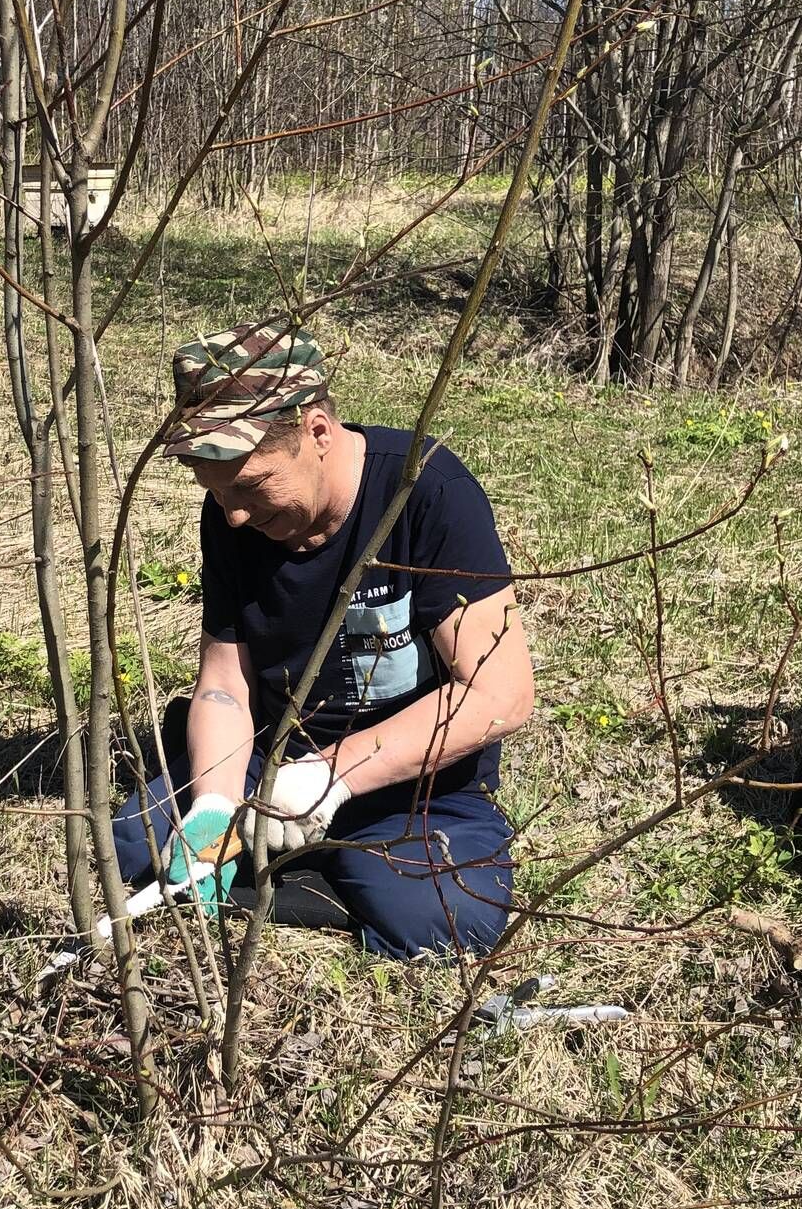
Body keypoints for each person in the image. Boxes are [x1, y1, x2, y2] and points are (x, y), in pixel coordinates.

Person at [113, 323, 533, 961]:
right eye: (216, 492)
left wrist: (333, 773)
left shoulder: (427, 492)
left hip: (413, 778)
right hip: (273, 758)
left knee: (448, 919)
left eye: (250, 487)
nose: (233, 516)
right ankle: (302, 865)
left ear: (317, 431)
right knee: (139, 850)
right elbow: (226, 683)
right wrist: (215, 803)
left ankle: (298, 877)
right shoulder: (235, 516)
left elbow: (498, 693)